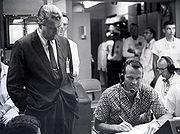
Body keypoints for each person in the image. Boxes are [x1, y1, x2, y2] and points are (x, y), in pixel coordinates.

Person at [7, 4, 78, 134]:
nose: (57, 32)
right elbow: (13, 84)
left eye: (59, 27)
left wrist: (73, 94)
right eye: (52, 29)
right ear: (40, 24)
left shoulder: (64, 42)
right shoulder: (23, 45)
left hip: (65, 107)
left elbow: (69, 74)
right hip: (39, 111)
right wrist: (28, 107)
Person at [94, 59, 172, 134]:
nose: (134, 82)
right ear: (122, 77)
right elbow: (97, 125)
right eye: (130, 78)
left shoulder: (148, 92)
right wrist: (117, 127)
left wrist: (157, 123)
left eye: (138, 78)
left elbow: (167, 116)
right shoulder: (109, 94)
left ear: (142, 77)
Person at [152, 20, 180, 85]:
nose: (171, 31)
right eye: (168, 29)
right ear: (164, 30)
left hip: (177, 73)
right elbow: (154, 61)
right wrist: (157, 75)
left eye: (173, 28)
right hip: (163, 74)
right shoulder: (158, 44)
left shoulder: (179, 43)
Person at [59, 12, 80, 77]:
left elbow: (76, 69)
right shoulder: (47, 43)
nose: (62, 27)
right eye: (59, 24)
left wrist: (70, 72)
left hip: (66, 82)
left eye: (65, 24)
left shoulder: (72, 45)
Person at [0, 56, 19, 126]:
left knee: (15, 124)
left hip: (8, 110)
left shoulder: (10, 72)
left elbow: (14, 96)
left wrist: (2, 111)